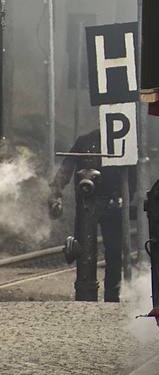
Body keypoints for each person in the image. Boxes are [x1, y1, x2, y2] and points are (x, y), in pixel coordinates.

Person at [48, 129, 134, 302]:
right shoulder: (85, 140)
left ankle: (111, 296)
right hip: (86, 202)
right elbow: (67, 166)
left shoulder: (122, 140)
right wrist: (56, 190)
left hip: (112, 203)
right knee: (85, 251)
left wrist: (125, 196)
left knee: (114, 253)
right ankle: (86, 291)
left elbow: (132, 172)